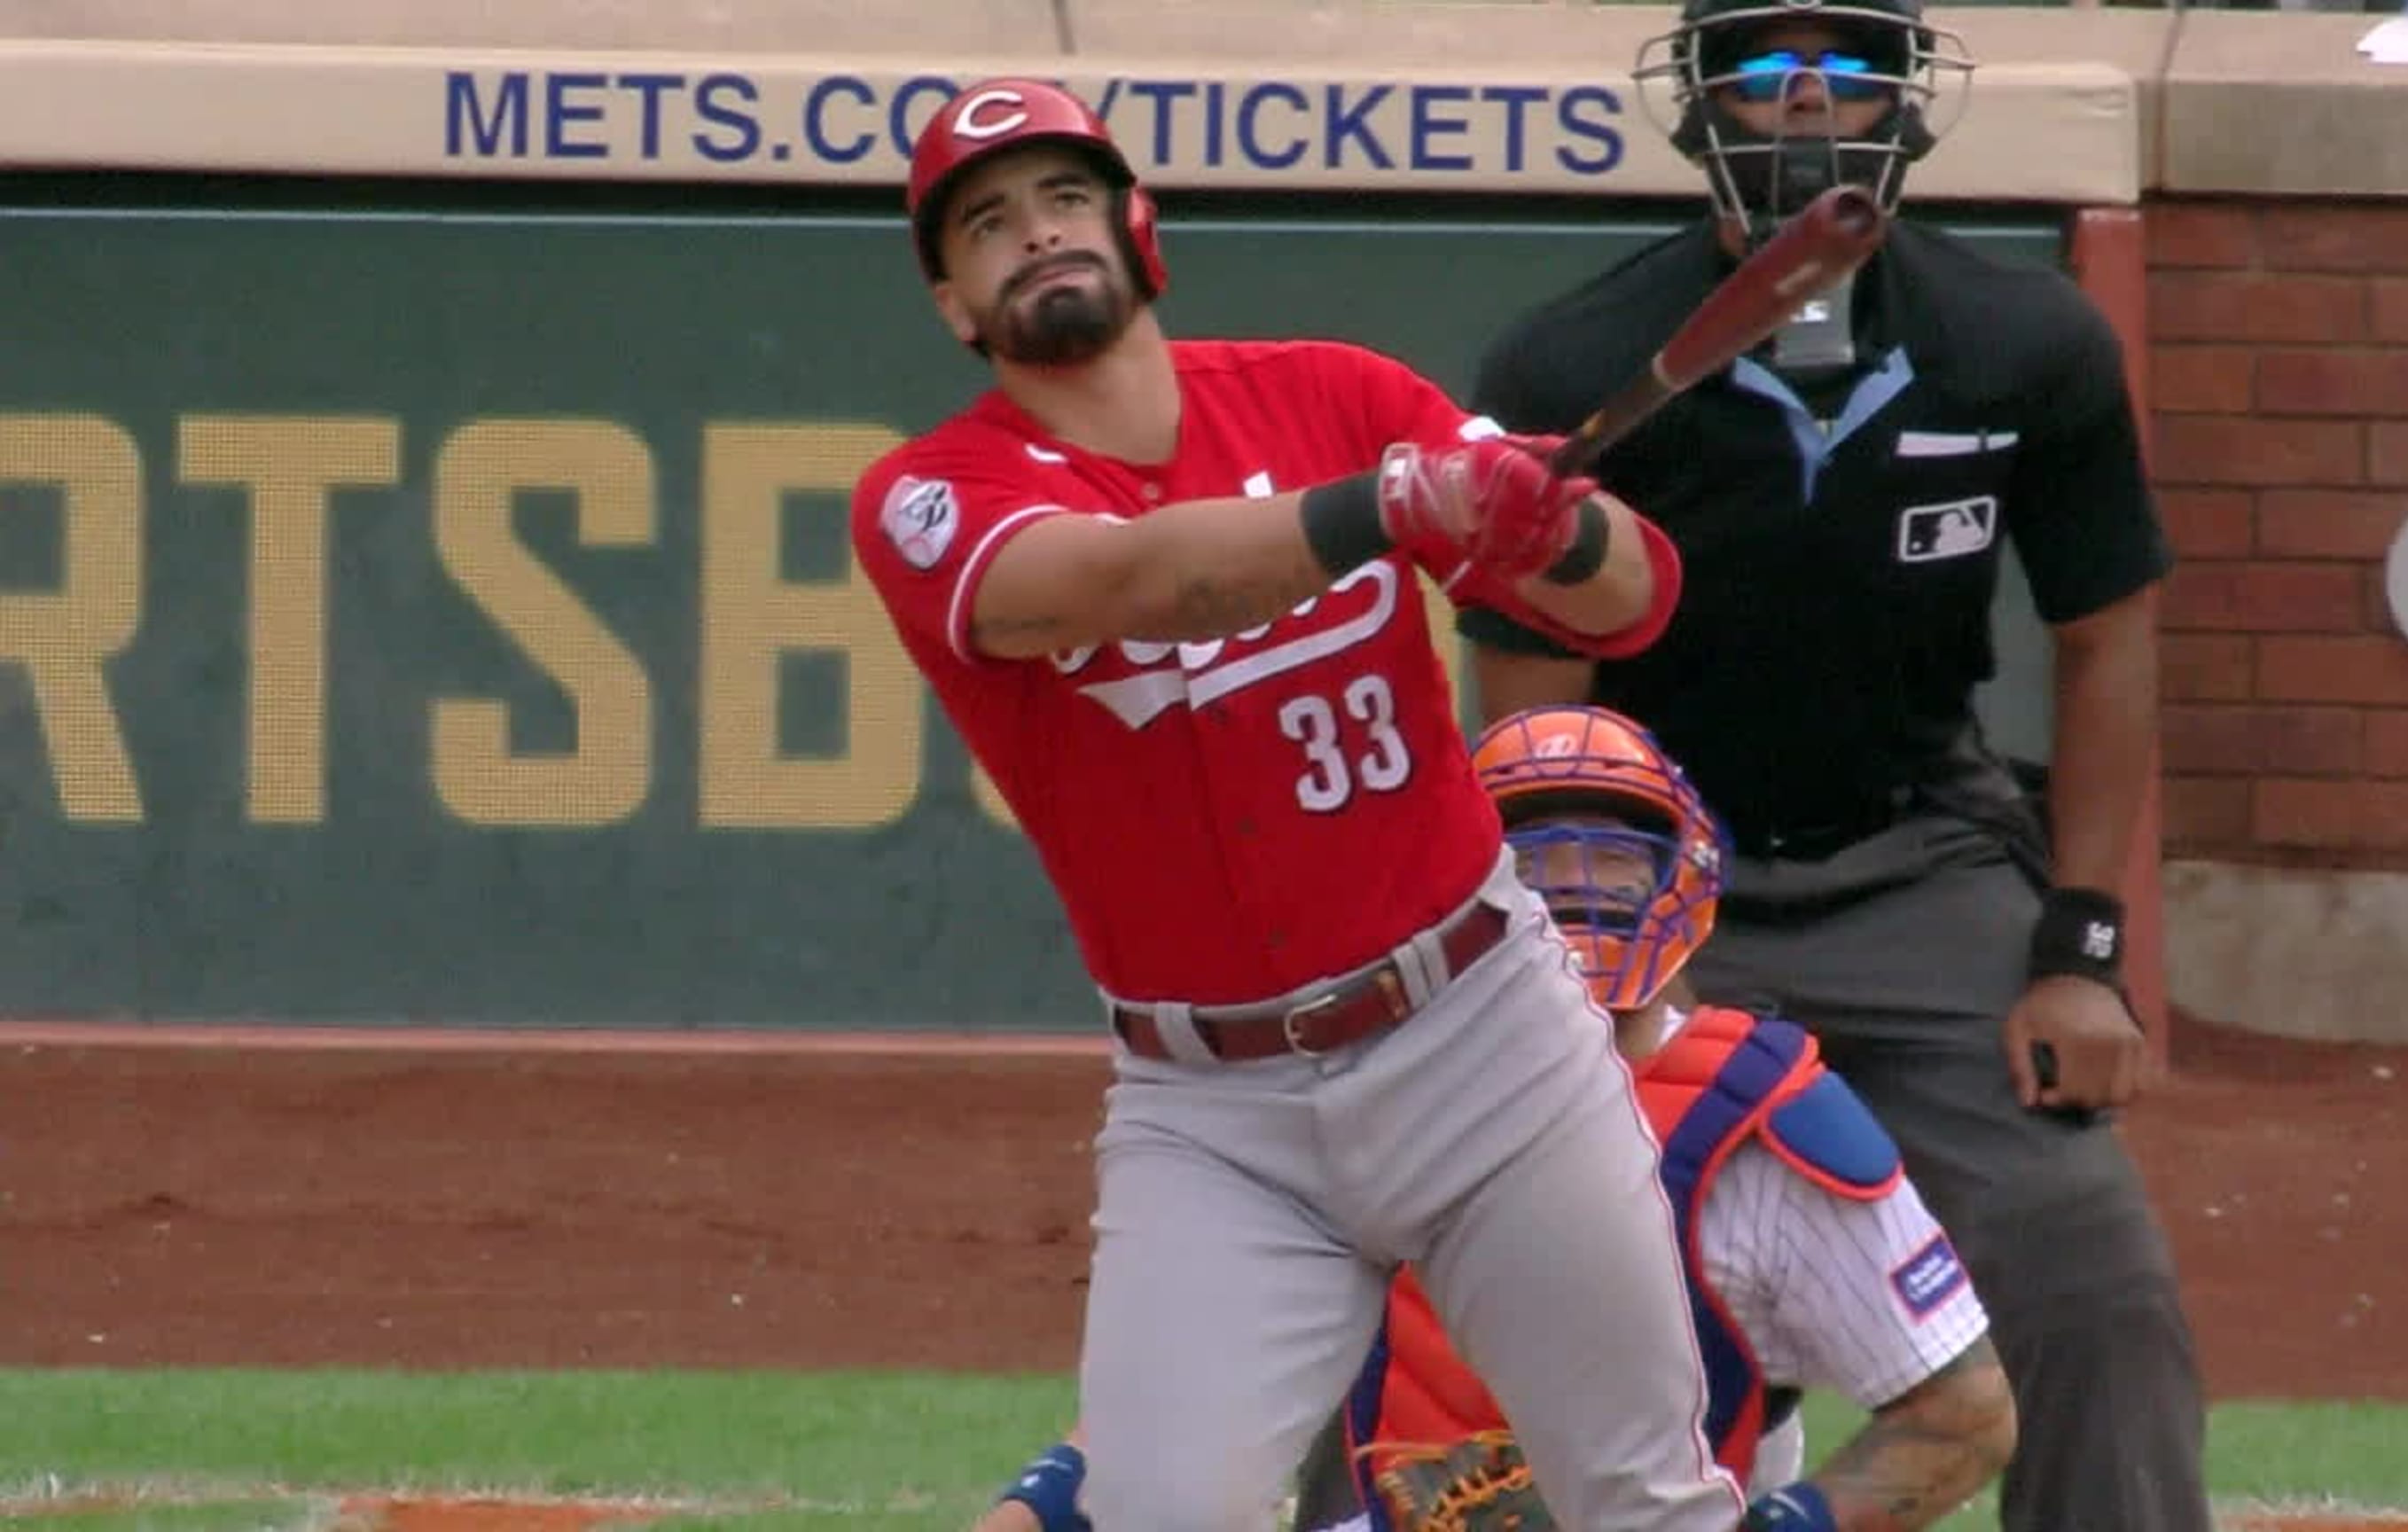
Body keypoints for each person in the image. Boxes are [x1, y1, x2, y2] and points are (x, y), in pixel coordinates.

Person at [852, 78, 1748, 1532]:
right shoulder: (927, 496)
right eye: (986, 224)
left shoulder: (1330, 389)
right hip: (1215, 1110)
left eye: (1065, 198)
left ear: (1142, 232)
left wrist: (1551, 520)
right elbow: (1132, 579)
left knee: (1645, 1498)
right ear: (953, 302)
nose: (1034, 234)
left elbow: (1639, 594)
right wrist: (1390, 507)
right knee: (1153, 1512)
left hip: (1483, 1038)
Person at [1451, 4, 2216, 1531]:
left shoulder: (2021, 343)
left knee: (2089, 1270)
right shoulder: (1582, 359)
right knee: (1472, 1242)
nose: (1807, 94)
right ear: (1695, 103)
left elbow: (2106, 641)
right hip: (1655, 883)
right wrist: (1575, 983)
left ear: (1913, 104)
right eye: (1763, 61)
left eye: (1852, 60)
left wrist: (2082, 947)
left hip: (1912, 856)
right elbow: (1537, 741)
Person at [976, 705, 2019, 1532]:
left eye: (1614, 861)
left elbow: (1962, 1410)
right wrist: (1039, 1505)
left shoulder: (1757, 1122)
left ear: (1682, 877)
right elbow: (1191, 1398)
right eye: (1534, 863)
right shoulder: (1359, 1088)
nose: (1577, 898)